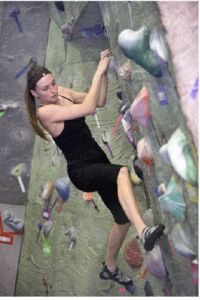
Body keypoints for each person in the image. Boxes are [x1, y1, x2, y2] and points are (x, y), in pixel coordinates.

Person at [25, 49, 165, 287]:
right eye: (45, 89)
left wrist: (104, 73)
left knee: (121, 219)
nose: (52, 90)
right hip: (81, 170)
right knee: (122, 173)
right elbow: (88, 109)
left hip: (97, 158)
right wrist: (98, 69)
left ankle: (109, 268)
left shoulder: (63, 94)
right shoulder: (44, 112)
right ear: (34, 93)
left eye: (53, 84)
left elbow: (97, 101)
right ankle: (144, 232)